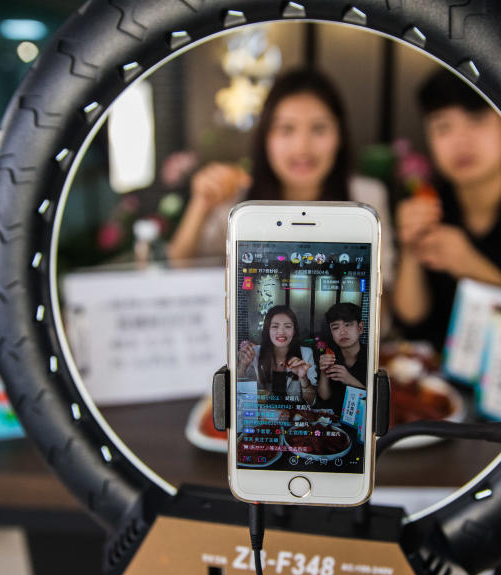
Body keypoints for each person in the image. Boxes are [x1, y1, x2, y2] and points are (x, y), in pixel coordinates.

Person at [166, 68, 395, 284]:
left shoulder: (367, 199)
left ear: (340, 135)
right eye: (286, 129)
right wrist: (201, 202)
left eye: (319, 128)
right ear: (266, 137)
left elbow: (384, 292)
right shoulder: (238, 201)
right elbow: (181, 265)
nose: (302, 147)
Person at [392, 68, 501, 351]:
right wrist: (410, 250)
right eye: (443, 127)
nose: (460, 141)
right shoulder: (429, 208)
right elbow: (412, 321)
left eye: (476, 119)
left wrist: (470, 265)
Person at [238, 305, 317, 404]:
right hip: (263, 417)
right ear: (267, 330)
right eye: (275, 326)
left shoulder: (306, 354)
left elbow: (312, 401)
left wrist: (304, 379)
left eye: (287, 326)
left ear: (294, 331)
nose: (281, 332)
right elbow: (239, 394)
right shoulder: (254, 353)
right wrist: (242, 365)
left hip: (293, 416)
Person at [317, 302, 367, 418]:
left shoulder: (372, 358)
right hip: (333, 424)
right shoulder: (330, 355)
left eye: (348, 325)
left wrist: (350, 380)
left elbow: (376, 400)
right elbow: (324, 396)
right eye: (335, 327)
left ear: (360, 328)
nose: (342, 332)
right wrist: (323, 372)